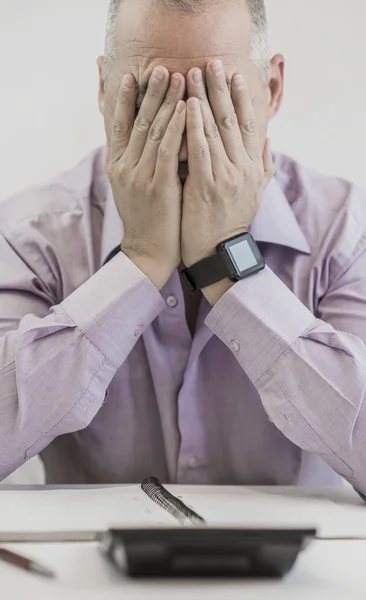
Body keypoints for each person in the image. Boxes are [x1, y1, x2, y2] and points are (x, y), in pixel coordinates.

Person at [1, 0, 366, 493]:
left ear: (272, 90)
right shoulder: (32, 235)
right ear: (105, 91)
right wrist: (140, 261)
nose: (185, 135)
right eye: (152, 97)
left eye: (216, 99)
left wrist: (229, 265)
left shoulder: (343, 234)